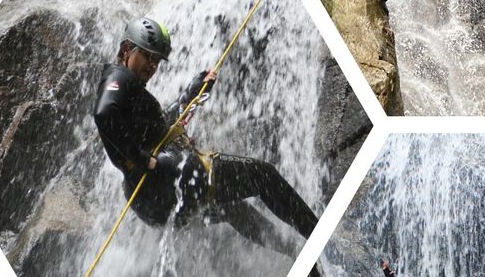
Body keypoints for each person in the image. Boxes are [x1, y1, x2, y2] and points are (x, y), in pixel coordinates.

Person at [92, 17, 317, 254]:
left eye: (157, 60)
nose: (153, 65)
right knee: (263, 175)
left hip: (150, 203)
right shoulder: (119, 77)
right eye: (148, 56)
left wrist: (191, 93)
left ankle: (295, 254)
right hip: (173, 177)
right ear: (127, 49)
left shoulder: (131, 90)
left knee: (233, 208)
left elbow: (162, 129)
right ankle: (319, 238)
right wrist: (143, 159)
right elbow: (104, 113)